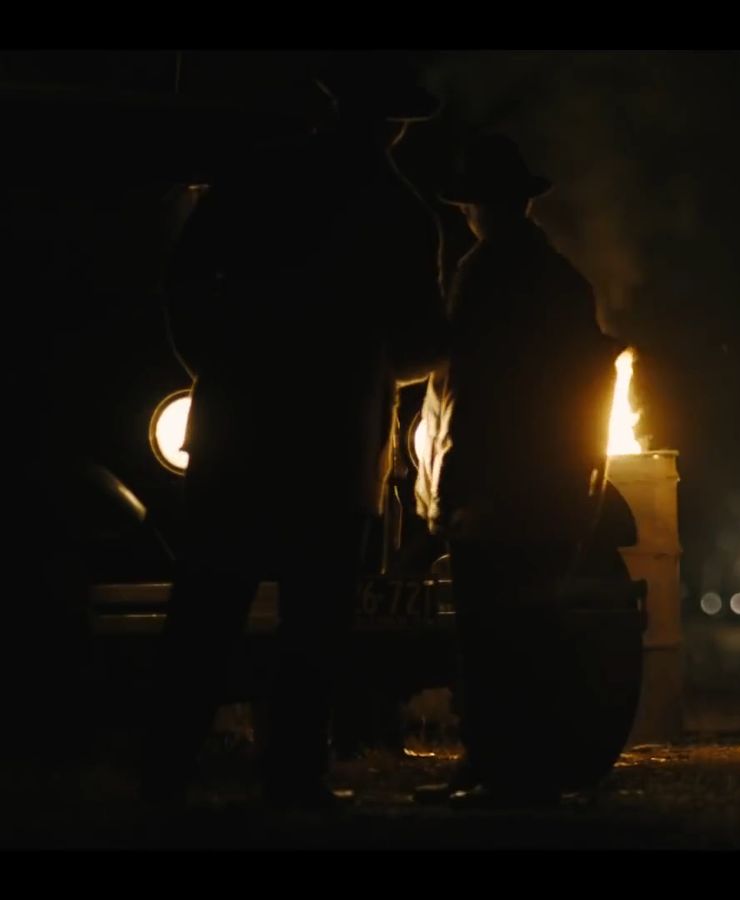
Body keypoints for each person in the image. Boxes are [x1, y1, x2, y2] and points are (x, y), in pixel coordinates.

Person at [141, 52, 447, 810]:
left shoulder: (258, 175)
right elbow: (422, 345)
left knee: (206, 615)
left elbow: (182, 279)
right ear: (397, 127)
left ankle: (165, 771)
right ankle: (294, 778)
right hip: (334, 454)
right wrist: (373, 363)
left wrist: (210, 361)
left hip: (238, 438)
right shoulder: (402, 212)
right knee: (314, 630)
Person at [412, 133, 625, 808]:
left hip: (495, 489)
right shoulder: (564, 281)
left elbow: (472, 395)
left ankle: (504, 768)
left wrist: (455, 489)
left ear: (475, 206)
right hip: (553, 489)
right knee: (529, 630)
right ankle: (507, 762)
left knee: (490, 635)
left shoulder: (483, 274)